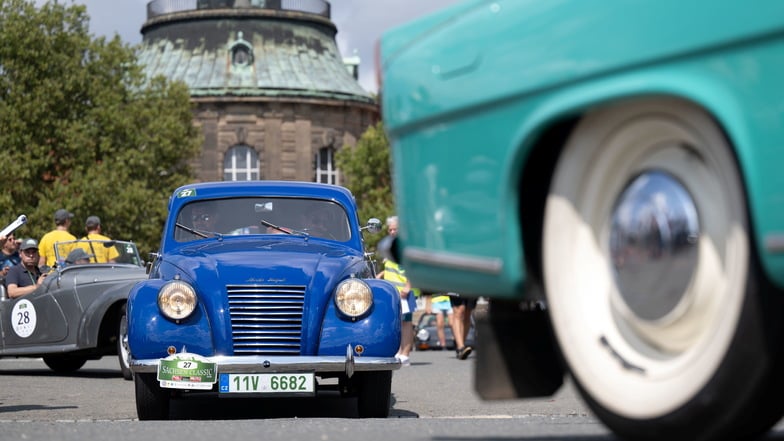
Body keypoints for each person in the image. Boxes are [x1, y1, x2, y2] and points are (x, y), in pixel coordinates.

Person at [376, 216, 416, 366]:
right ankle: (399, 351)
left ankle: (405, 354)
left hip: (405, 292)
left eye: (395, 229)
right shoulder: (391, 247)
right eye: (390, 229)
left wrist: (408, 286)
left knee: (406, 323)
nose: (392, 232)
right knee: (397, 323)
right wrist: (379, 275)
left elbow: (412, 268)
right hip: (393, 292)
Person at [449, 294, 477, 360]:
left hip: (472, 285)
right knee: (459, 310)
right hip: (456, 285)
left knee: (468, 313)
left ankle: (461, 345)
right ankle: (460, 347)